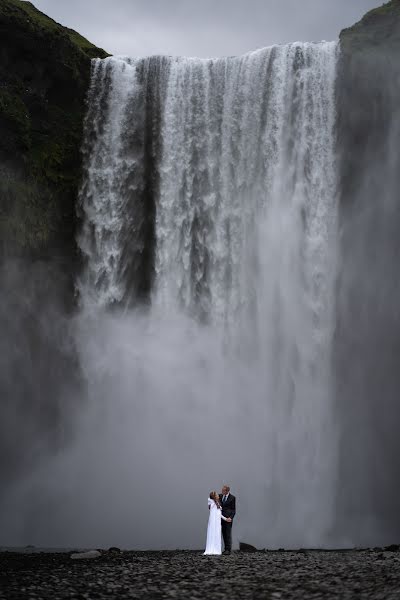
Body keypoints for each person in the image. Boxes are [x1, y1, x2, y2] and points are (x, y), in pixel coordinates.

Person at [203, 491, 232, 555]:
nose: (218, 495)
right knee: (216, 534)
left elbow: (218, 514)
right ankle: (215, 549)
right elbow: (218, 514)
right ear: (215, 497)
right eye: (217, 495)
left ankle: (213, 548)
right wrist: (226, 519)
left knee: (214, 534)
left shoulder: (214, 504)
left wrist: (226, 519)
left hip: (215, 523)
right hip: (215, 524)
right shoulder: (214, 505)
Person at [219, 485, 236, 554]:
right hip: (221, 518)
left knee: (228, 533)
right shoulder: (219, 496)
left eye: (223, 490)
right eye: (222, 490)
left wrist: (231, 518)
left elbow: (233, 509)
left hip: (228, 518)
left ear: (227, 491)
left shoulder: (232, 498)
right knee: (223, 533)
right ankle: (225, 548)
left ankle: (228, 549)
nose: (222, 491)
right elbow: (212, 498)